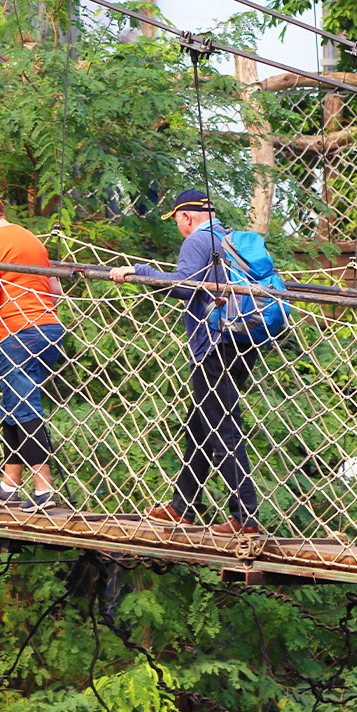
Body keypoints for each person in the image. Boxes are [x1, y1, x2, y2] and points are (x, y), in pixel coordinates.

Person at [107, 189, 264, 536]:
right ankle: (183, 506)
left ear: (187, 217)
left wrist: (140, 272)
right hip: (241, 344)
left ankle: (245, 518)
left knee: (222, 429)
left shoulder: (197, 240)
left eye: (177, 219)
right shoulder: (227, 239)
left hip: (213, 346)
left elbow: (184, 288)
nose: (179, 226)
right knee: (199, 427)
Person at [0, 192, 65, 512]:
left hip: (17, 333)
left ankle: (44, 490)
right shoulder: (31, 239)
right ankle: (9, 485)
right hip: (49, 329)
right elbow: (55, 290)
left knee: (24, 407)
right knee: (14, 407)